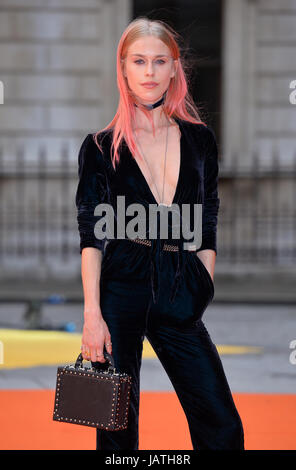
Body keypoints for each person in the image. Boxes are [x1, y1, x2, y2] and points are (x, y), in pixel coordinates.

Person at [75, 17, 245, 450]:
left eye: (159, 61)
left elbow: (207, 221)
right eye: (139, 61)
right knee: (115, 424)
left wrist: (201, 284)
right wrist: (92, 315)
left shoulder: (200, 140)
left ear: (174, 70)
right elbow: (92, 237)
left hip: (179, 282)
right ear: (124, 69)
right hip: (120, 283)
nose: (149, 72)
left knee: (221, 424)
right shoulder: (100, 146)